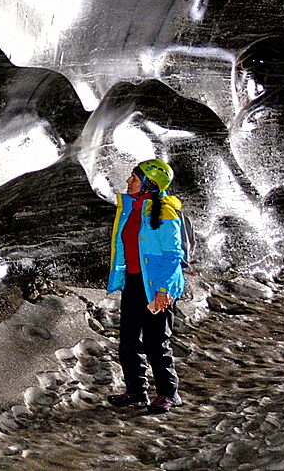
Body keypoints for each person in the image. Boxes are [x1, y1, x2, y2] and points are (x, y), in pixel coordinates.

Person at [105, 158, 185, 414]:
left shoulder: (165, 213)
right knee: (128, 341)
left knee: (155, 341)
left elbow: (173, 256)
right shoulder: (130, 207)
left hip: (156, 285)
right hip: (134, 281)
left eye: (135, 178)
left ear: (149, 185)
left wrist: (164, 291)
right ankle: (136, 392)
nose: (129, 181)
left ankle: (168, 393)